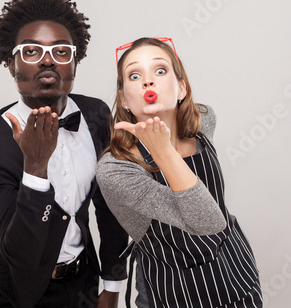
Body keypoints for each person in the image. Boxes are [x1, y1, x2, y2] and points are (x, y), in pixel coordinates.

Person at [0, 0, 128, 308]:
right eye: (31, 51)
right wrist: (35, 168)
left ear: (75, 61)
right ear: (11, 65)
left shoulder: (96, 116)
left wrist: (111, 285)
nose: (47, 61)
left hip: (85, 281)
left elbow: (111, 208)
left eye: (61, 51)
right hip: (19, 294)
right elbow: (20, 253)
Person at [96, 37, 263, 307]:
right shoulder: (116, 170)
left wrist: (165, 143)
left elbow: (219, 224)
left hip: (235, 271)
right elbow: (209, 223)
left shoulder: (203, 120)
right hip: (175, 289)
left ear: (181, 88)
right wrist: (161, 151)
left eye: (160, 71)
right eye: (135, 75)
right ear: (125, 99)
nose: (148, 82)